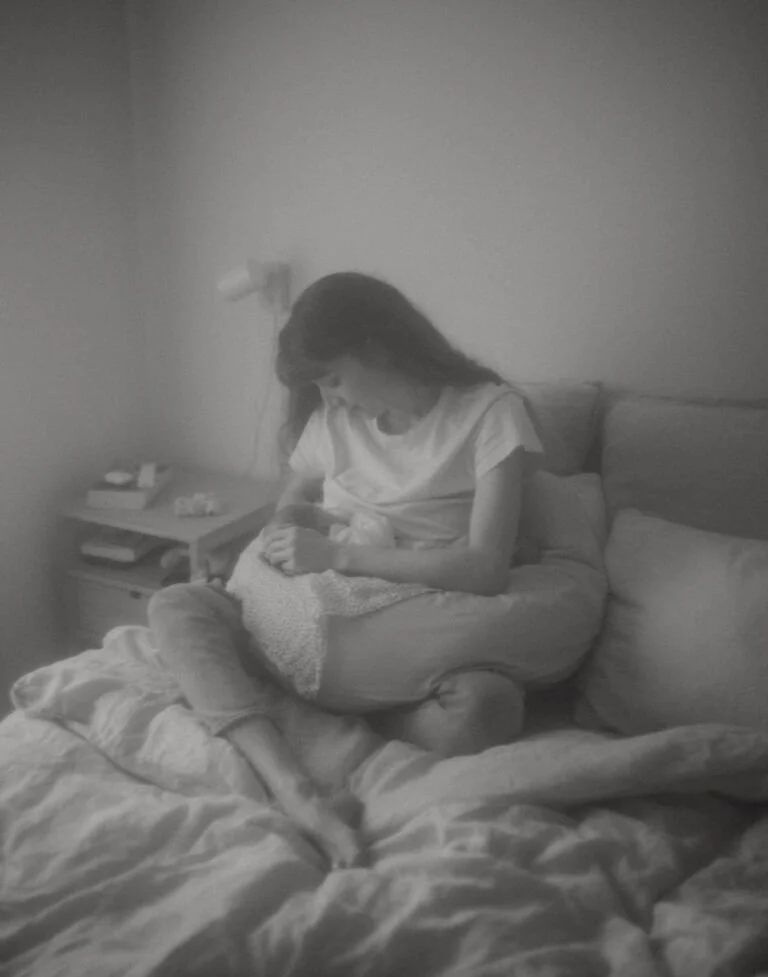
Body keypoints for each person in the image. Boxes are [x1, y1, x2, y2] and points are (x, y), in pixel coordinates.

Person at [148, 271, 544, 870]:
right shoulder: (334, 423)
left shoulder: (490, 413)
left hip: (398, 620)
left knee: (486, 708)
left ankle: (289, 716)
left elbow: (486, 567)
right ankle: (296, 787)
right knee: (175, 604)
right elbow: (291, 501)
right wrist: (293, 523)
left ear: (377, 348)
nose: (330, 398)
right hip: (308, 607)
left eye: (333, 378)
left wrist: (338, 556)